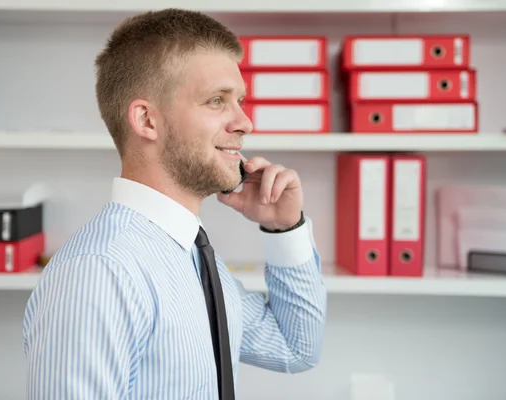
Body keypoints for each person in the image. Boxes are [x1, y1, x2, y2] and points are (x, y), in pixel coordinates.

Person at [22, 8, 327, 399]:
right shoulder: (101, 272)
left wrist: (285, 228)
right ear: (147, 120)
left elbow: (295, 349)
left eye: (240, 101)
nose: (245, 122)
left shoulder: (192, 254)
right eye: (217, 101)